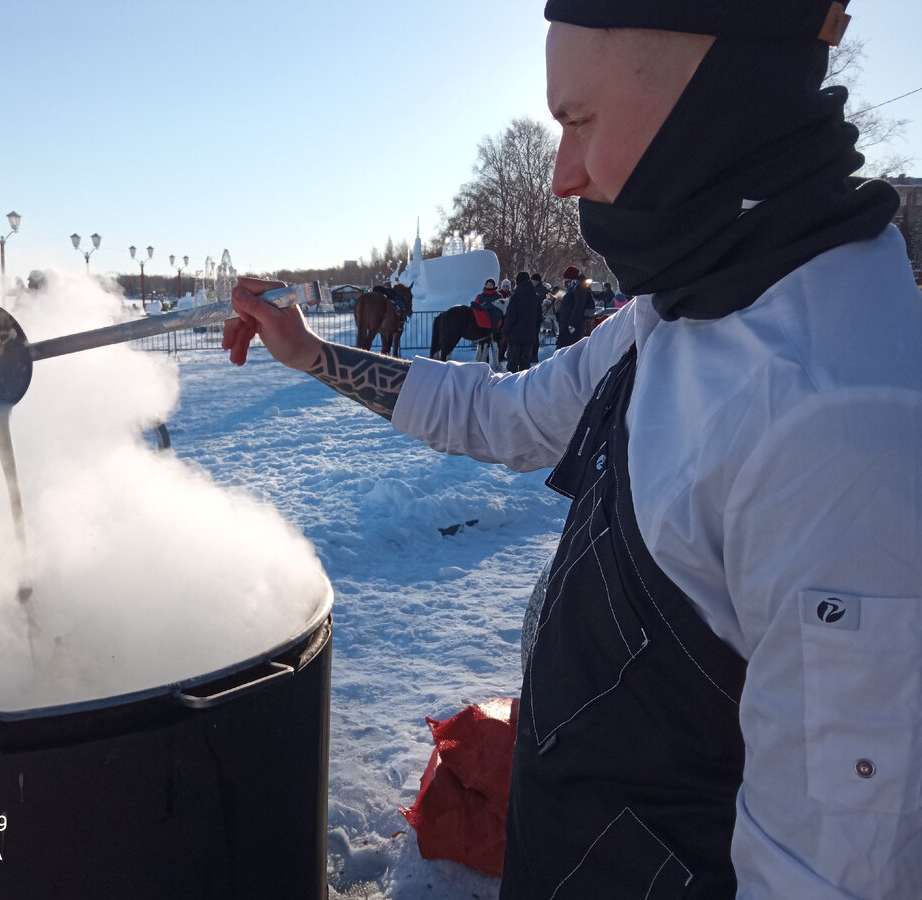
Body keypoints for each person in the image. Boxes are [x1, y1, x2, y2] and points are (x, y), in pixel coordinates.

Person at [222, 1, 919, 895]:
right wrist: (312, 353)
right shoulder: (684, 306)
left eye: (577, 121)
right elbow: (506, 414)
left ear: (717, 95)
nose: (559, 175)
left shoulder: (836, 416)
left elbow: (828, 879)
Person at [503, 271, 543, 373]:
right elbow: (539, 318)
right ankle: (524, 386)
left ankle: (510, 386)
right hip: (529, 336)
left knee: (512, 364)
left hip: (514, 336)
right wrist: (534, 331)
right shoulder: (535, 297)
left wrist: (505, 331)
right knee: (525, 365)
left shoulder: (516, 296)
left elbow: (511, 316)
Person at [555, 264, 594, 347]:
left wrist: (572, 324)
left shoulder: (579, 287)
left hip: (572, 326)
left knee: (565, 348)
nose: (564, 281)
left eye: (566, 278)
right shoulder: (574, 287)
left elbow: (578, 306)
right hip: (568, 324)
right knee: (563, 349)